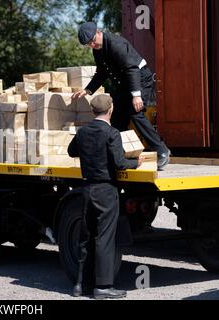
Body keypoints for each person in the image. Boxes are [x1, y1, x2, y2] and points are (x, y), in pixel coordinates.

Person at [68, 94, 143, 299]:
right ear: (110, 110)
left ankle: (80, 285)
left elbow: (71, 151)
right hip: (106, 191)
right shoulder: (112, 133)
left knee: (86, 237)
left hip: (87, 189)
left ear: (93, 111)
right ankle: (103, 286)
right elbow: (120, 163)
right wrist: (136, 162)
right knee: (104, 239)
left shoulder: (83, 132)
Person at [73, 21, 170, 171]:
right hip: (125, 84)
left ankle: (162, 150)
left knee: (135, 113)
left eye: (92, 41)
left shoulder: (115, 44)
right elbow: (102, 73)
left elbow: (132, 69)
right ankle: (124, 153)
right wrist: (88, 90)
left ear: (98, 32)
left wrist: (136, 96)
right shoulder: (98, 49)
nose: (91, 45)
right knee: (117, 117)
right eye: (88, 44)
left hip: (139, 80)